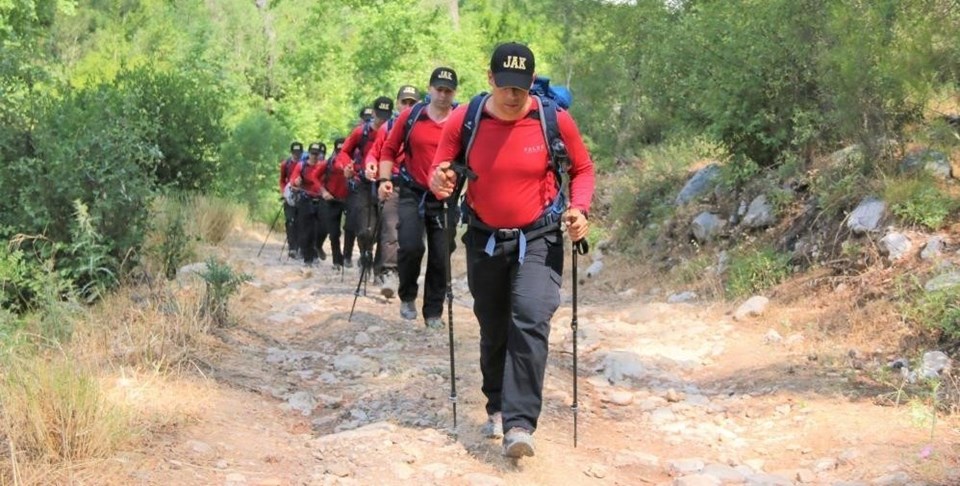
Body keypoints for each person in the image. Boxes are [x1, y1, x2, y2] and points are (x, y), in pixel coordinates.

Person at [429, 42, 595, 458]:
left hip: (539, 237)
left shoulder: (552, 120)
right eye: (505, 86)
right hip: (485, 237)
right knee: (493, 323)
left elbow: (583, 169)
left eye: (520, 87)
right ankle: (497, 404)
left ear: (530, 84)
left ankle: (520, 423)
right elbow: (441, 167)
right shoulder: (465, 120)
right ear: (490, 79)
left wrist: (579, 208)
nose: (512, 95)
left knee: (532, 318)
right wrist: (440, 180)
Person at [378, 69, 458, 328]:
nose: (443, 95)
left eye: (448, 90)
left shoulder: (460, 120)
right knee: (411, 246)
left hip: (446, 196)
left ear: (454, 92)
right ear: (430, 88)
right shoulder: (411, 117)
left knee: (441, 254)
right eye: (439, 89)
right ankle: (407, 295)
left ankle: (433, 312)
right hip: (413, 192)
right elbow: (389, 149)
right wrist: (384, 180)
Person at [364, 84, 421, 298]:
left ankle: (407, 277)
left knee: (412, 238)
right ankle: (389, 272)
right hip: (393, 184)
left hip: (418, 188)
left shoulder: (425, 123)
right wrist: (371, 166)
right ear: (397, 103)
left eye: (412, 102)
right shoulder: (387, 127)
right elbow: (374, 153)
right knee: (389, 227)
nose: (407, 106)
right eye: (404, 102)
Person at [335, 96, 395, 278]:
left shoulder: (393, 131)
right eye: (380, 115)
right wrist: (348, 166)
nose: (382, 119)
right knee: (364, 229)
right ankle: (364, 255)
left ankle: (378, 267)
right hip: (362, 184)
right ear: (374, 113)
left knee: (384, 227)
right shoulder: (360, 132)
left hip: (384, 182)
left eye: (386, 115)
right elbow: (344, 152)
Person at [289, 142, 328, 266]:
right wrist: (296, 182)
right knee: (306, 231)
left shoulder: (324, 166)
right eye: (313, 153)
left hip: (321, 200)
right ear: (309, 153)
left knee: (320, 229)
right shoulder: (301, 166)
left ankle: (316, 251)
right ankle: (308, 258)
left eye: (317, 154)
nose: (315, 156)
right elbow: (293, 181)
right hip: (305, 200)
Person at [321, 137, 352, 270]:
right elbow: (315, 178)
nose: (341, 151)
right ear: (335, 149)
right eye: (338, 149)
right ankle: (336, 260)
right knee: (333, 233)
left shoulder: (353, 163)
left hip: (349, 200)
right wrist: (323, 192)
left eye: (343, 149)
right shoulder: (328, 163)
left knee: (351, 229)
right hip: (332, 201)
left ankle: (347, 256)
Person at [279, 141, 304, 258]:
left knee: (300, 222)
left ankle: (299, 246)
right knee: (290, 221)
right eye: (294, 152)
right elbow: (281, 179)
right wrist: (283, 192)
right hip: (289, 196)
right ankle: (292, 247)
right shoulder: (285, 164)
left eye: (298, 152)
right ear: (291, 152)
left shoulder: (304, 165)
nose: (296, 155)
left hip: (302, 196)